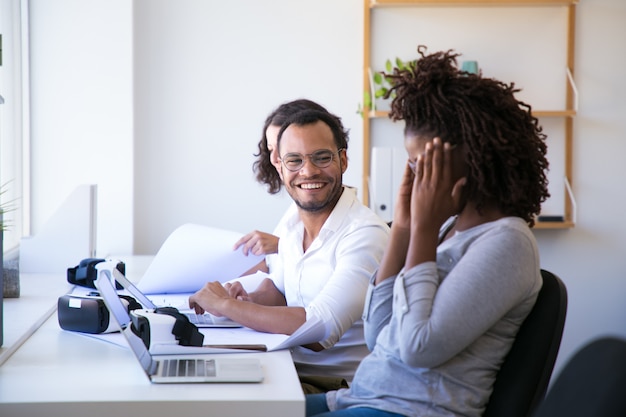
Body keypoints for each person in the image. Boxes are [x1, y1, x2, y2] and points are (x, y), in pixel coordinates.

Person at [306, 45, 550, 416]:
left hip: (408, 411)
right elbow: (378, 334)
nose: (417, 176)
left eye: (425, 164)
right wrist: (403, 228)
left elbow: (418, 347)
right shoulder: (447, 232)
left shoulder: (508, 242)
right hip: (360, 399)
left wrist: (421, 228)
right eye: (413, 164)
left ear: (474, 159)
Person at [189, 109, 390, 391]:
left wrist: (227, 306)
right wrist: (250, 300)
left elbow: (320, 329)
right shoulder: (293, 222)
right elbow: (282, 289)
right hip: (285, 367)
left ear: (343, 160)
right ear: (279, 166)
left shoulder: (366, 233)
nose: (308, 171)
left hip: (339, 387)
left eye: (322, 157)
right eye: (294, 160)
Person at [234, 99, 344, 257]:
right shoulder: (298, 207)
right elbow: (271, 269)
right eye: (271, 149)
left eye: (282, 148)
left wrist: (281, 246)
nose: (274, 159)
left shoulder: (354, 228)